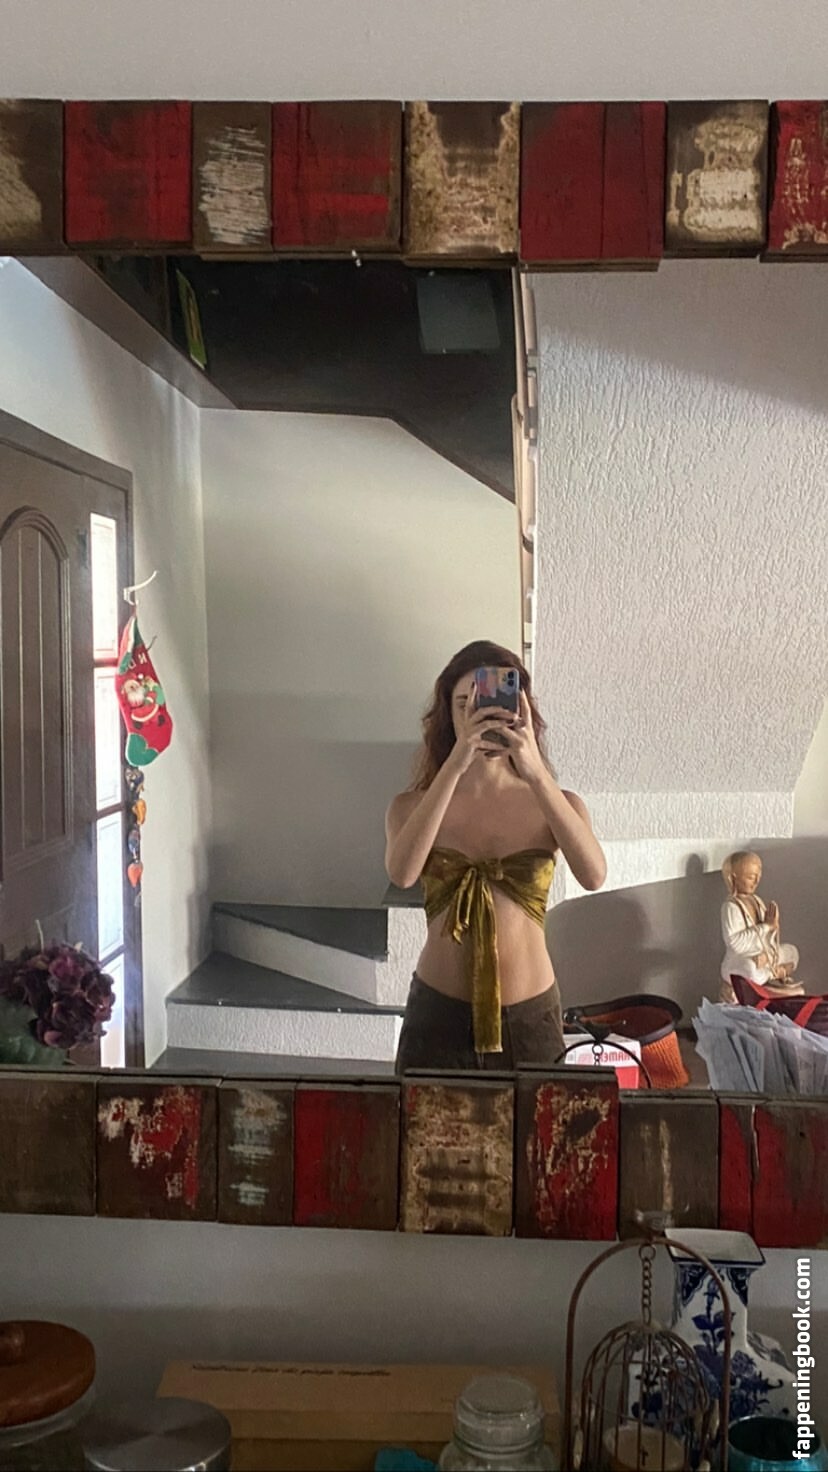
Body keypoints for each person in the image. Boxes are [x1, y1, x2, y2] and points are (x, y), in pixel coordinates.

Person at [385, 640, 606, 1072]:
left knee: (536, 1121)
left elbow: (594, 875)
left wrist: (535, 770)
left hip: (530, 1017)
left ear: (521, 711)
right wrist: (456, 763)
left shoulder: (557, 803)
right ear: (448, 715)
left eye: (492, 704)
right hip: (438, 1015)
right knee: (425, 1120)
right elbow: (402, 873)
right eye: (465, 705)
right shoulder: (410, 807)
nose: (479, 716)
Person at [719, 850, 802, 1004]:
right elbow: (735, 943)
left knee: (792, 952)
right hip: (741, 960)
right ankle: (774, 973)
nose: (756, 881)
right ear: (734, 878)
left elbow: (768, 937)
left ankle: (772, 973)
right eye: (751, 877)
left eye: (758, 876)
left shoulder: (756, 900)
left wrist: (773, 927)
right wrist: (765, 927)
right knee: (750, 969)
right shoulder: (730, 907)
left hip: (763, 956)